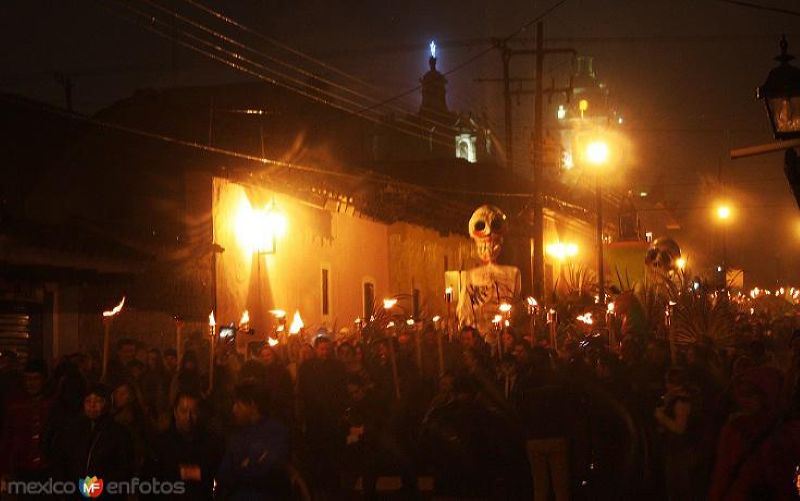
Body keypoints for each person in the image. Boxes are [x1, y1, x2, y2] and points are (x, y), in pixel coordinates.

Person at [52, 383, 134, 499]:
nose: (92, 406)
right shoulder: (74, 430)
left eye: (98, 401)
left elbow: (124, 469)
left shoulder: (118, 433)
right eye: (88, 401)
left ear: (106, 404)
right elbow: (64, 461)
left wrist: (103, 488)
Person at [216, 382, 290, 500]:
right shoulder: (237, 435)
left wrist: (240, 469)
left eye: (238, 405)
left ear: (253, 405)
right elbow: (223, 474)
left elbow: (262, 472)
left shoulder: (275, 433)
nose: (233, 410)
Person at [147, 392, 223, 500]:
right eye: (184, 411)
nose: (189, 417)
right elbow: (151, 479)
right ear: (175, 412)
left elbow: (216, 474)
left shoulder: (211, 442)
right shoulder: (161, 444)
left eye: (194, 412)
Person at [0, 360, 54, 484]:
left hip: (47, 467)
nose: (31, 383)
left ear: (44, 380)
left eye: (36, 379)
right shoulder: (15, 404)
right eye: (28, 379)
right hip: (21, 466)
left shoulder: (52, 405)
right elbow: (7, 437)